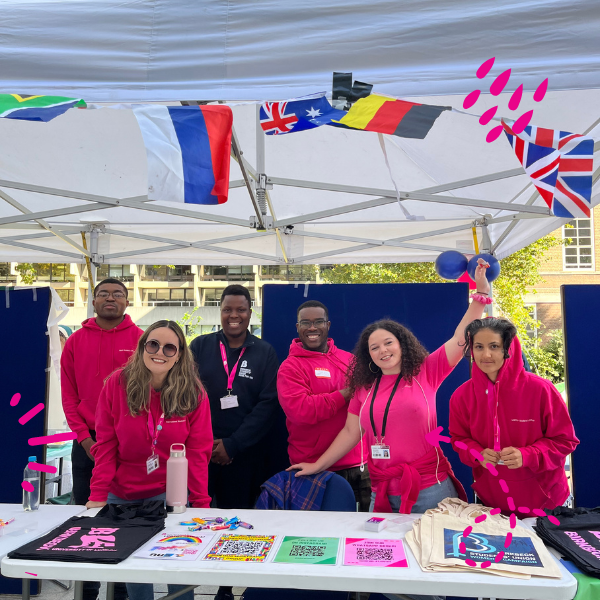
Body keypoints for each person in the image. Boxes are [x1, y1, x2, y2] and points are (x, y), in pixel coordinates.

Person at [290, 259, 492, 515]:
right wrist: (317, 465)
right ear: (368, 355)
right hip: (381, 490)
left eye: (388, 343)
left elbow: (461, 338)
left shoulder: (427, 371)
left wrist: (481, 294)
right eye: (374, 347)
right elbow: (350, 433)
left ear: (402, 344)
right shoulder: (363, 388)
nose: (382, 350)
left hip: (430, 488)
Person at [86, 320, 212, 600]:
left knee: (178, 572)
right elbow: (106, 446)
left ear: (179, 355)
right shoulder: (116, 384)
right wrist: (97, 495)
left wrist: (201, 503)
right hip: (123, 494)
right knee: (137, 575)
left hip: (172, 494)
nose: (160, 352)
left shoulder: (192, 392)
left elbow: (198, 453)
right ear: (142, 347)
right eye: (153, 344)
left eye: (170, 348)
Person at [189, 284, 279, 600]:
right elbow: (185, 394)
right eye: (228, 309)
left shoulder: (264, 352)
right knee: (193, 520)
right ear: (221, 311)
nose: (234, 315)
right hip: (199, 452)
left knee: (236, 522)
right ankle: (185, 580)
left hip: (244, 455)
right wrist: (205, 442)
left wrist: (233, 444)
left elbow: (268, 404)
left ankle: (226, 587)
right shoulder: (200, 346)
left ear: (250, 312)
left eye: (241, 309)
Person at [61, 278, 142, 600]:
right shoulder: (76, 341)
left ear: (126, 302)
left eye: (118, 294)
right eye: (104, 294)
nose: (111, 298)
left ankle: (121, 592)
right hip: (86, 445)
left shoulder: (141, 341)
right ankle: (87, 591)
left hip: (127, 446)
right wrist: (83, 439)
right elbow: (69, 396)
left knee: (123, 525)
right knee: (87, 523)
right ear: (93, 301)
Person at [449, 317, 579, 518]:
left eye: (494, 346)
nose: (486, 354)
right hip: (492, 504)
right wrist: (477, 453)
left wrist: (529, 455)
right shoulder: (462, 396)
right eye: (479, 346)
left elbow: (565, 441)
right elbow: (459, 440)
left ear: (508, 348)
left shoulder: (541, 390)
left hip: (546, 504)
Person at [277, 300, 371, 511]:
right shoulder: (290, 367)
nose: (312, 328)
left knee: (361, 532)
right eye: (306, 322)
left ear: (328, 325)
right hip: (313, 468)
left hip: (360, 465)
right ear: (297, 327)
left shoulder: (350, 360)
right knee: (317, 536)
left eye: (318, 322)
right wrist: (346, 394)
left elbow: (369, 402)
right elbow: (302, 411)